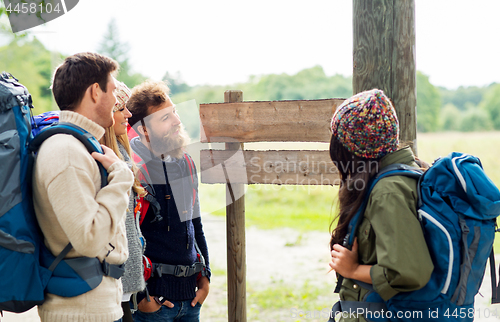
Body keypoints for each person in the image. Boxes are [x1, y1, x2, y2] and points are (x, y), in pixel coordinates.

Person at [32, 52, 134, 322]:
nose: (116, 101)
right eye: (113, 91)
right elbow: (89, 238)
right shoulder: (65, 152)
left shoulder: (78, 146)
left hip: (95, 306)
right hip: (81, 313)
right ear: (95, 92)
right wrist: (121, 179)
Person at [328, 89, 434, 322]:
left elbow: (409, 272)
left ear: (353, 149)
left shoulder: (388, 191)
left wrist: (353, 270)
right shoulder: (408, 170)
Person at [126, 80, 211, 322]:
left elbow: (195, 225)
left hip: (190, 300)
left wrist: (206, 278)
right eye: (165, 118)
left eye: (174, 112)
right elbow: (127, 238)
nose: (177, 120)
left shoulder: (185, 162)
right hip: (153, 306)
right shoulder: (132, 169)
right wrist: (142, 297)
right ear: (143, 130)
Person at [99, 81, 148, 322]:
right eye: (121, 108)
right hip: (111, 283)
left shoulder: (121, 150)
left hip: (126, 283)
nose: (128, 114)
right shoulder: (100, 156)